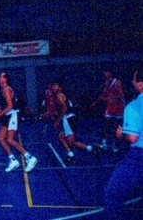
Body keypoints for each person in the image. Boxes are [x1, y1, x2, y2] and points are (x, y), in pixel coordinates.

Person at [104, 69, 143, 220]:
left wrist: (122, 134)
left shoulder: (134, 106)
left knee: (112, 195)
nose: (132, 83)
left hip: (138, 158)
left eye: (134, 80)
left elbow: (133, 138)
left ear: (140, 85)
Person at [0, 72, 38, 172]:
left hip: (13, 115)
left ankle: (30, 158)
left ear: (5, 79)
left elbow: (10, 106)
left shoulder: (7, 89)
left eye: (1, 76)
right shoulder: (3, 90)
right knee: (0, 138)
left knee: (10, 140)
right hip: (7, 116)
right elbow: (6, 106)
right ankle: (13, 160)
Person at [52, 81, 100, 163]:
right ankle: (71, 155)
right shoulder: (63, 95)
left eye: (55, 85)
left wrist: (57, 120)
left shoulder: (59, 95)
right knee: (60, 136)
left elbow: (64, 108)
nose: (53, 87)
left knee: (71, 142)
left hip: (68, 119)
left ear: (60, 88)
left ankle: (91, 148)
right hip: (70, 118)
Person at [91, 68, 125, 151]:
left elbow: (121, 95)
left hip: (118, 106)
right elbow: (103, 94)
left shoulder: (117, 82)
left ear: (110, 73)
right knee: (106, 124)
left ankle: (114, 144)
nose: (105, 73)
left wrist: (110, 97)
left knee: (115, 126)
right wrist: (96, 102)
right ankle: (104, 143)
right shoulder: (106, 83)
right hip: (111, 105)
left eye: (106, 72)